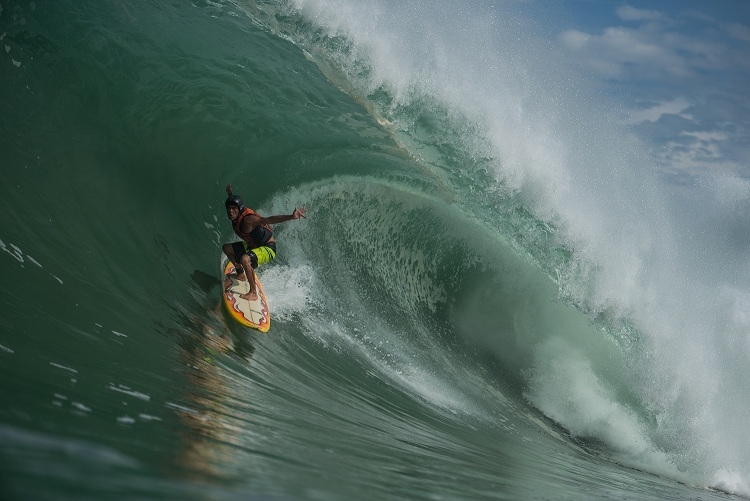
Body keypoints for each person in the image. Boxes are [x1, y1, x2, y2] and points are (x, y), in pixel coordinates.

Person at [222, 183, 306, 301]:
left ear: (239, 209)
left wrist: (291, 217)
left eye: (234, 209)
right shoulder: (236, 215)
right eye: (229, 209)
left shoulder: (248, 220)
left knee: (245, 259)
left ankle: (253, 293)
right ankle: (240, 274)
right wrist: (230, 194)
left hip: (268, 248)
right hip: (253, 246)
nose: (230, 212)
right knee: (226, 248)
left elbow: (269, 219)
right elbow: (233, 204)